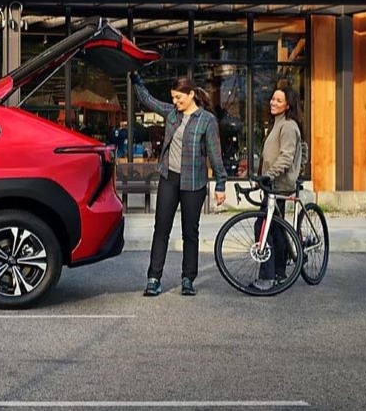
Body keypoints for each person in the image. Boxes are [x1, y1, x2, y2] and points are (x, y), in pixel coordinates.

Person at [130, 73, 228, 297]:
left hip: (194, 183)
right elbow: (148, 100)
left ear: (191, 94)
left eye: (179, 97)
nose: (175, 102)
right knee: (161, 228)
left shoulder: (207, 120)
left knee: (190, 232)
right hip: (169, 179)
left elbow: (215, 154)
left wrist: (221, 184)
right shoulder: (172, 114)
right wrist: (137, 78)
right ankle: (154, 278)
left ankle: (188, 279)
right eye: (173, 98)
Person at [252, 86, 304, 291]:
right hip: (272, 183)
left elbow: (286, 156)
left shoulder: (289, 126)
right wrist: (261, 177)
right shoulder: (276, 124)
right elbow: (269, 156)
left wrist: (269, 175)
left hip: (279, 184)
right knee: (276, 228)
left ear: (288, 105)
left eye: (278, 100)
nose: (273, 102)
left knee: (262, 226)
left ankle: (267, 277)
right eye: (272, 99)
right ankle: (280, 273)